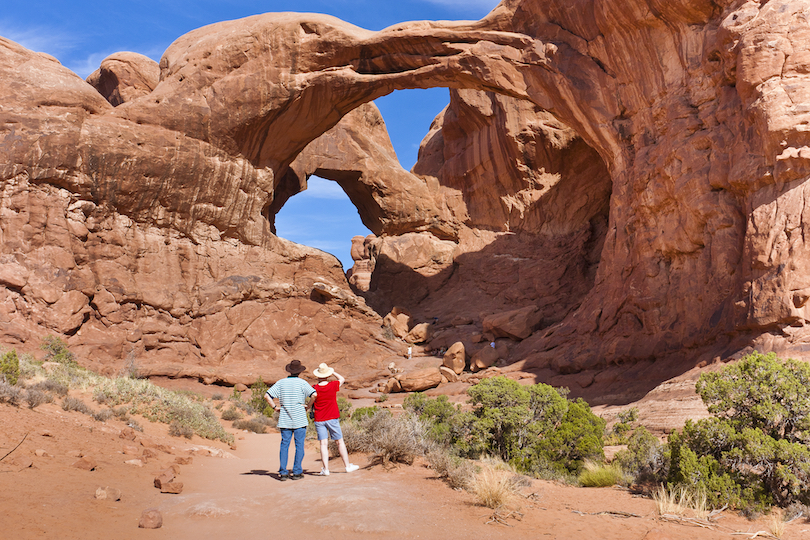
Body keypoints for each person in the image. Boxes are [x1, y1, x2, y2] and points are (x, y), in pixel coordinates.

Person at [265, 359, 316, 481]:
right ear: (299, 371)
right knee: (299, 445)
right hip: (300, 419)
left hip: (285, 419)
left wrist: (275, 407)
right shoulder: (302, 383)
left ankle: (283, 472)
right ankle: (297, 472)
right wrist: (308, 406)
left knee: (284, 445)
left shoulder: (281, 383)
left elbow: (267, 395)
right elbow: (314, 395)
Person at [311, 362, 359, 476]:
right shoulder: (333, 385)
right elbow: (342, 379)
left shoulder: (314, 388)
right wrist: (333, 372)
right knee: (339, 442)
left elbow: (311, 399)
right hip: (332, 417)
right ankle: (347, 466)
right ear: (327, 375)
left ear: (318, 376)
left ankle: (325, 469)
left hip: (319, 418)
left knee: (323, 444)